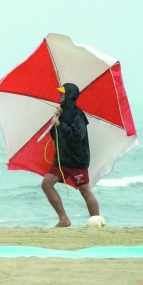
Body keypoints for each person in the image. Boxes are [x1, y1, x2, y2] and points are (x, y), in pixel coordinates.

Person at [41, 82, 101, 227]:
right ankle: (64, 219)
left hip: (76, 160)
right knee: (46, 184)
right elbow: (57, 137)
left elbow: (77, 136)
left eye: (63, 92)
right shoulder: (61, 112)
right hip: (62, 159)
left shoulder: (77, 114)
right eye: (60, 92)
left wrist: (60, 125)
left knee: (85, 190)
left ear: (70, 95)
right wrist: (55, 123)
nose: (60, 94)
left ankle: (96, 221)